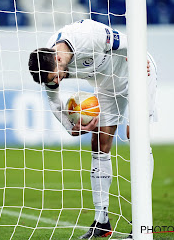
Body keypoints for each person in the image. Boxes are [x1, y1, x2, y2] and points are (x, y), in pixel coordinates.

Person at [28, 19, 157, 239]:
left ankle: (143, 222)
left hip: (137, 74)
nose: (57, 82)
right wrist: (72, 128)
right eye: (52, 81)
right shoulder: (48, 67)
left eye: (56, 76)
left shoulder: (88, 35)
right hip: (107, 87)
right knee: (99, 144)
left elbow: (128, 41)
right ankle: (102, 221)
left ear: (58, 58)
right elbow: (54, 101)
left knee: (135, 136)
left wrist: (139, 56)